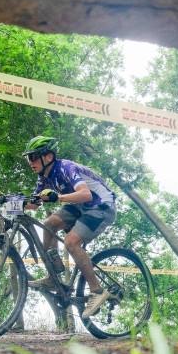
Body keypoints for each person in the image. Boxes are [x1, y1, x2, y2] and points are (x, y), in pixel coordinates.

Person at [21, 136, 117, 318]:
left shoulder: (66, 168)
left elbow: (86, 194)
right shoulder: (44, 177)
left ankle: (97, 291)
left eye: (33, 157)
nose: (30, 162)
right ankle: (53, 275)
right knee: (49, 224)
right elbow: (33, 204)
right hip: (79, 207)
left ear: (48, 157)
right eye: (28, 158)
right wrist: (10, 201)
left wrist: (58, 197)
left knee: (71, 242)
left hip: (100, 206)